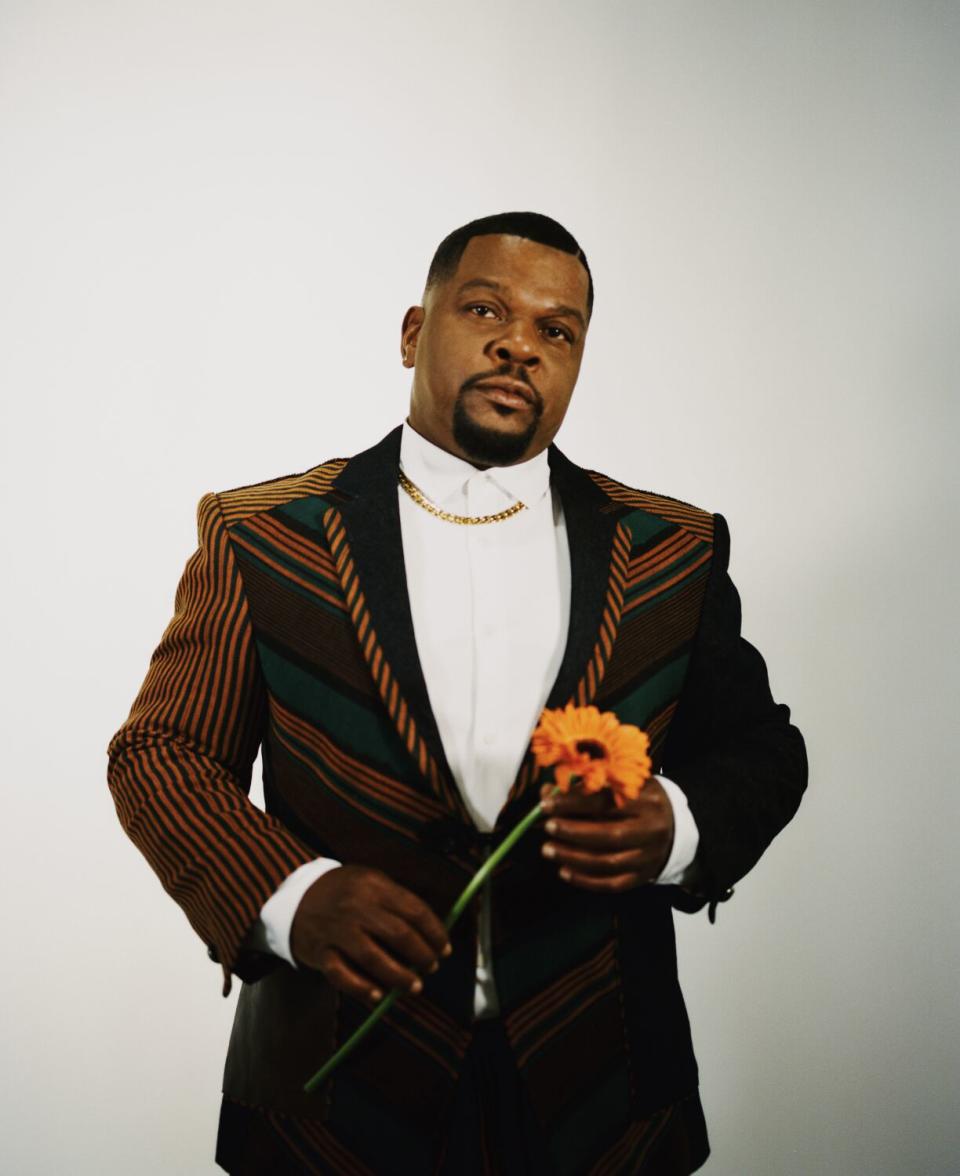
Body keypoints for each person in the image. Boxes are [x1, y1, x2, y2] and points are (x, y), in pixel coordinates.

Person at [107, 211, 807, 1175]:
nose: (521, 343)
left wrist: (677, 829)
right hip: (330, 1107)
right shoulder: (262, 536)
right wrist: (289, 897)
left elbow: (763, 751)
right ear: (411, 331)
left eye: (557, 331)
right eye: (486, 308)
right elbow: (162, 754)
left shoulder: (674, 551)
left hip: (604, 1100)